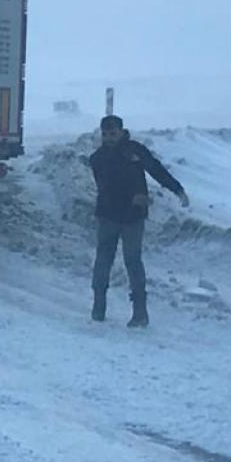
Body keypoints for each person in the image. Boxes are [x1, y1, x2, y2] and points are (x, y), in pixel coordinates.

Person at [89, 114, 189, 327]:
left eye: (113, 133)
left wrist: (177, 189)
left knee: (133, 262)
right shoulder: (97, 158)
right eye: (105, 134)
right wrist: (133, 195)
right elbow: (106, 187)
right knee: (103, 261)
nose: (109, 138)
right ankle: (98, 308)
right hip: (108, 216)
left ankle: (140, 313)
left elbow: (156, 170)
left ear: (122, 131)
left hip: (133, 217)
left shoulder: (136, 151)